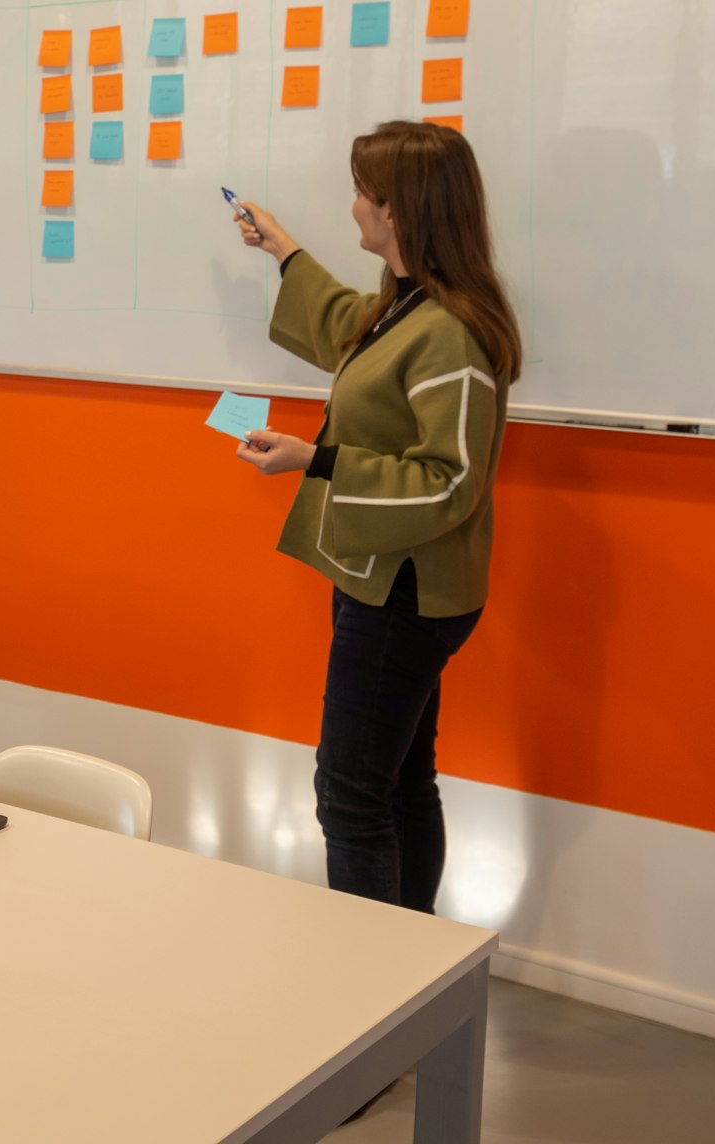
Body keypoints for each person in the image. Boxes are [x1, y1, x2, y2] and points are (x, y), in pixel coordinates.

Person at [228, 120, 523, 914]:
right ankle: (411, 961)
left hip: (405, 595)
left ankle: (372, 982)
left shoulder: (451, 335)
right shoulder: (407, 306)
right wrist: (283, 251)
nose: (353, 204)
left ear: (398, 211)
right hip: (391, 581)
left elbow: (447, 482)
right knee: (399, 781)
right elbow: (347, 331)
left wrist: (313, 459)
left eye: (364, 192)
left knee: (351, 794)